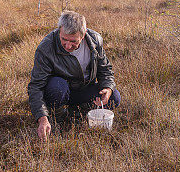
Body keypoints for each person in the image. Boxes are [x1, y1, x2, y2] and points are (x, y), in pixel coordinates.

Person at [27, 10, 121, 140]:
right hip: (58, 92)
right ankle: (58, 118)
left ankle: (78, 112)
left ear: (83, 35)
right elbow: (35, 87)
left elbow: (105, 70)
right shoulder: (46, 47)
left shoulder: (95, 41)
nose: (67, 45)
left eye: (73, 41)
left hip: (83, 89)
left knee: (114, 98)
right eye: (64, 39)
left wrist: (108, 88)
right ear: (60, 30)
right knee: (57, 86)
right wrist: (42, 118)